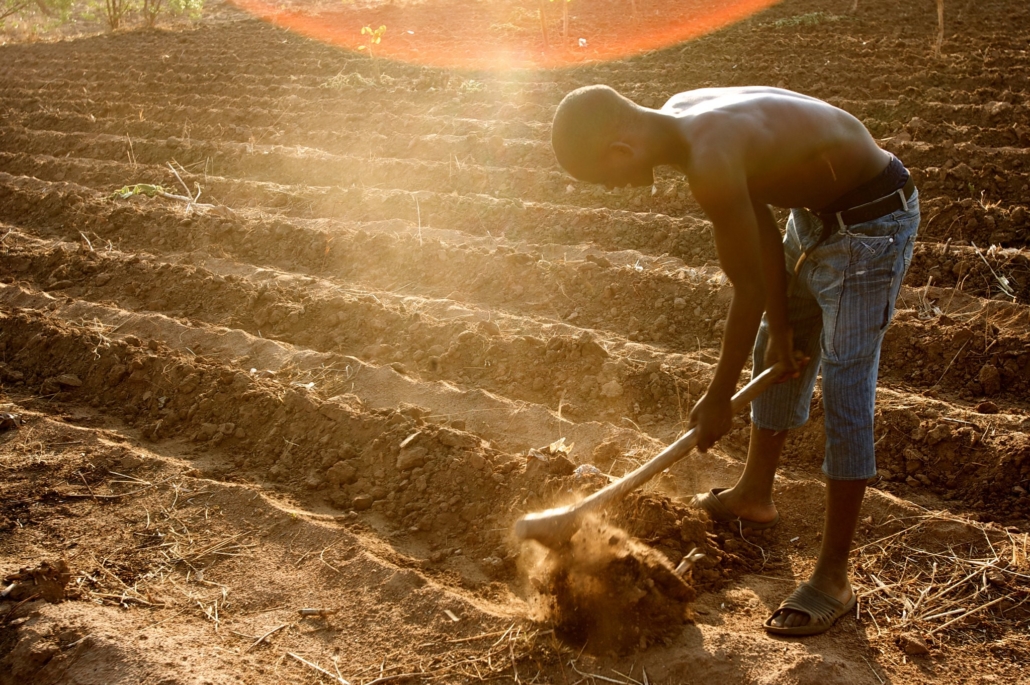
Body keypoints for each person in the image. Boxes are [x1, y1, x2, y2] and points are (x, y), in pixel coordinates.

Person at [550, 85, 919, 636]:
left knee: (845, 383)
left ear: (621, 151)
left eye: (608, 179)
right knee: (775, 338)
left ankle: (834, 577)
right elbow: (761, 235)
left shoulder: (708, 157)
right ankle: (753, 494)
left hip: (871, 226)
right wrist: (785, 321)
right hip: (814, 216)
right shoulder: (682, 117)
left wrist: (718, 395)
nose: (619, 189)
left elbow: (745, 288)